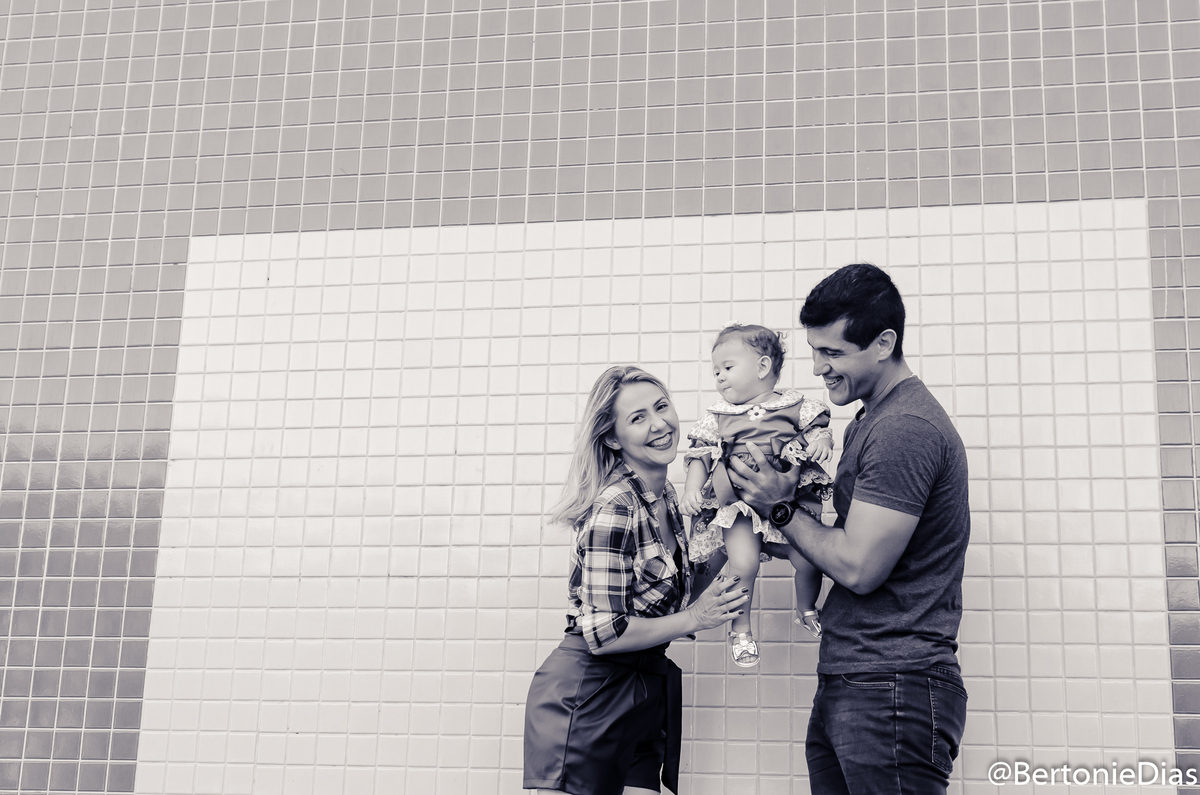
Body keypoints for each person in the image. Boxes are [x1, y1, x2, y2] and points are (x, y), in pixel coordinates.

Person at [727, 263, 970, 794]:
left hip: (892, 685)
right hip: (862, 677)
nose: (819, 368)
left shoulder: (904, 427)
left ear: (884, 343)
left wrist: (780, 509)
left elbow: (859, 567)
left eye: (832, 353)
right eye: (815, 351)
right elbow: (843, 544)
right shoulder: (871, 419)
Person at [523, 365, 750, 795]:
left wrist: (742, 527)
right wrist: (696, 619)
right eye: (638, 418)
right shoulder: (616, 505)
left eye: (661, 407)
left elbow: (678, 591)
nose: (659, 424)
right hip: (588, 695)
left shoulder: (666, 496)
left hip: (643, 690)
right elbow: (603, 633)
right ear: (613, 438)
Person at [679, 324, 834, 667]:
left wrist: (822, 442)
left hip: (787, 501)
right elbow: (700, 455)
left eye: (727, 367)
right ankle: (741, 630)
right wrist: (692, 488)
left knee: (809, 559)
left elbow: (817, 429)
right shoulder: (718, 416)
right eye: (716, 371)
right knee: (743, 564)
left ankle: (807, 609)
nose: (719, 377)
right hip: (740, 506)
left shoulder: (795, 406)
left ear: (763, 367)